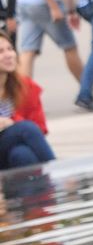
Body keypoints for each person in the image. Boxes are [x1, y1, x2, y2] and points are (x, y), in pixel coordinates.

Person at [0, 33, 54, 168]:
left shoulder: (25, 86)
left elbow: (40, 128)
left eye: (10, 49)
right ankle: (56, 172)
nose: (8, 55)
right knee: (26, 128)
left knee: (21, 154)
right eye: (0, 51)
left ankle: (41, 188)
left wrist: (11, 123)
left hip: (10, 151)